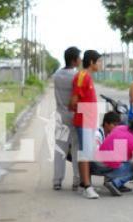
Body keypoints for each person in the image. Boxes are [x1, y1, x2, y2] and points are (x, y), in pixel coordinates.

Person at [70, 50, 102, 199]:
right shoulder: (82, 76)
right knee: (85, 153)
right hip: (84, 121)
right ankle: (87, 186)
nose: (100, 64)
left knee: (87, 153)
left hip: (89, 120)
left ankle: (84, 184)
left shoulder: (88, 77)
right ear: (91, 62)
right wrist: (79, 112)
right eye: (99, 61)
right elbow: (74, 100)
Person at [90, 116, 133, 197]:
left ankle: (113, 179)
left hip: (94, 165)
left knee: (125, 156)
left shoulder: (120, 128)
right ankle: (115, 182)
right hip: (105, 168)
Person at [52, 46, 81, 191]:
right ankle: (77, 179)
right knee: (76, 149)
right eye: (79, 58)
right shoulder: (78, 76)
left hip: (60, 116)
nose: (80, 60)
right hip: (74, 116)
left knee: (60, 149)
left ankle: (57, 180)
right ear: (74, 60)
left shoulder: (56, 75)